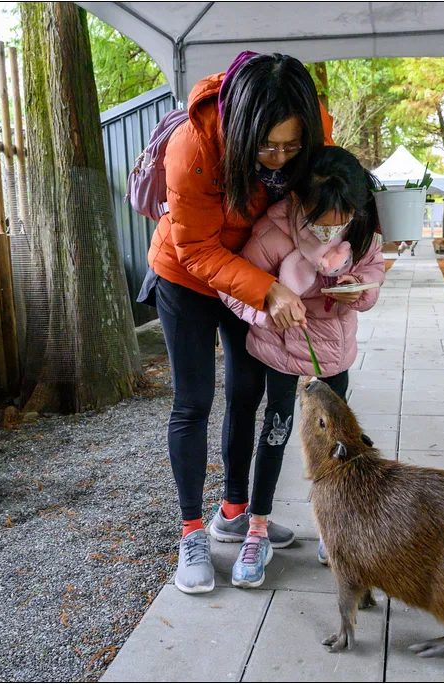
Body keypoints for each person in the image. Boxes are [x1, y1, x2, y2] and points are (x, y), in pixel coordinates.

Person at [137, 52, 334, 594]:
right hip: (188, 275)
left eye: (291, 146)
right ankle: (192, 531)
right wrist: (267, 288)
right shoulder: (195, 146)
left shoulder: (311, 122)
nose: (279, 158)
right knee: (194, 399)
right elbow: (196, 249)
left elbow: (326, 192)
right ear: (241, 128)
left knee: (248, 389)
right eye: (267, 147)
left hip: (253, 268)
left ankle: (234, 511)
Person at [220, 146, 385, 587]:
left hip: (332, 349)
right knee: (275, 431)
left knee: (337, 440)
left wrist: (356, 288)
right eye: (323, 217)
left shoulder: (364, 227)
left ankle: (335, 527)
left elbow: (373, 279)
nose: (333, 228)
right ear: (302, 201)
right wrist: (270, 306)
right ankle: (257, 529)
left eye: (342, 217)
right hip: (280, 346)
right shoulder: (273, 229)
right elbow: (235, 289)